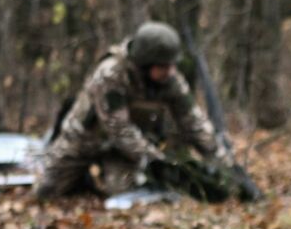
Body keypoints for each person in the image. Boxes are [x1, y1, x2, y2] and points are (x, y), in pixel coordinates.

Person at [36, 22, 231, 199]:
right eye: (163, 66)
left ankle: (98, 180)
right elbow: (118, 128)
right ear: (145, 63)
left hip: (123, 151)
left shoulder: (170, 80)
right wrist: (156, 161)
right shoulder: (111, 73)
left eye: (172, 65)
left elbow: (193, 121)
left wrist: (222, 160)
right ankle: (79, 178)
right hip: (83, 140)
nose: (170, 71)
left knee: (128, 194)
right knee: (46, 191)